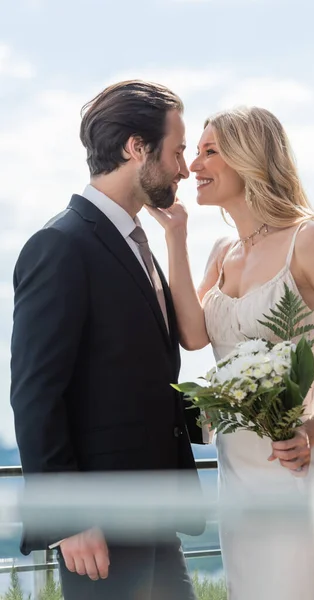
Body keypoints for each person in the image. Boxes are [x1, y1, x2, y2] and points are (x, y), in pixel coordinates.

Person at [146, 106, 314, 599]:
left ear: (248, 159)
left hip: (294, 471)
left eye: (210, 151)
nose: (193, 166)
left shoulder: (310, 241)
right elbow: (192, 336)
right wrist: (176, 235)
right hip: (236, 477)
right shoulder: (221, 251)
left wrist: (311, 430)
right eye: (195, 151)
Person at [10, 80, 204, 600]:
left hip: (155, 515)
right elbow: (35, 393)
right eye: (178, 150)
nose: (185, 168)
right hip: (99, 530)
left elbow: (129, 378)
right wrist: (70, 517)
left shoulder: (136, 243)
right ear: (135, 148)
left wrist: (222, 418)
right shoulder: (60, 245)